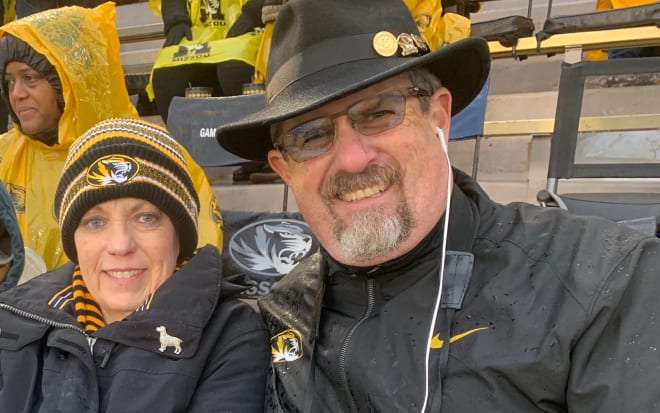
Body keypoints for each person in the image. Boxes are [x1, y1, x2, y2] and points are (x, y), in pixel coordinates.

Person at [215, 0, 660, 411]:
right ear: (284, 167)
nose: (352, 158)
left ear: (439, 116)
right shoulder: (281, 314)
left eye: (378, 113)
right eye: (311, 135)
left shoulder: (599, 283)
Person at [0, 117, 269, 411]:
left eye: (146, 218)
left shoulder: (231, 335)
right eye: (95, 221)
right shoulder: (14, 318)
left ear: (179, 233)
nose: (120, 245)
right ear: (74, 240)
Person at [0, 3, 223, 271]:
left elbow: (199, 259)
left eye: (30, 78)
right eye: (10, 81)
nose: (17, 93)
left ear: (71, 79)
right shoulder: (5, 155)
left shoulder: (148, 151)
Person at [146, 0, 264, 124]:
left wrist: (254, 12)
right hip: (200, 32)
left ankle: (251, 135)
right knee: (166, 74)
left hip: (251, 27)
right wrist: (176, 20)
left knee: (233, 69)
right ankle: (184, 139)